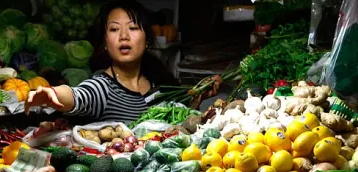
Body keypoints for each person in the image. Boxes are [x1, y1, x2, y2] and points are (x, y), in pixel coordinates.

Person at [25, 0, 221, 123]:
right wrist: (53, 93)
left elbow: (174, 127)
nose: (124, 36)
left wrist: (197, 100)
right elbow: (79, 95)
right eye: (114, 29)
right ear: (105, 41)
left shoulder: (159, 85)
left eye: (133, 28)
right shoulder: (103, 88)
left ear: (147, 40)